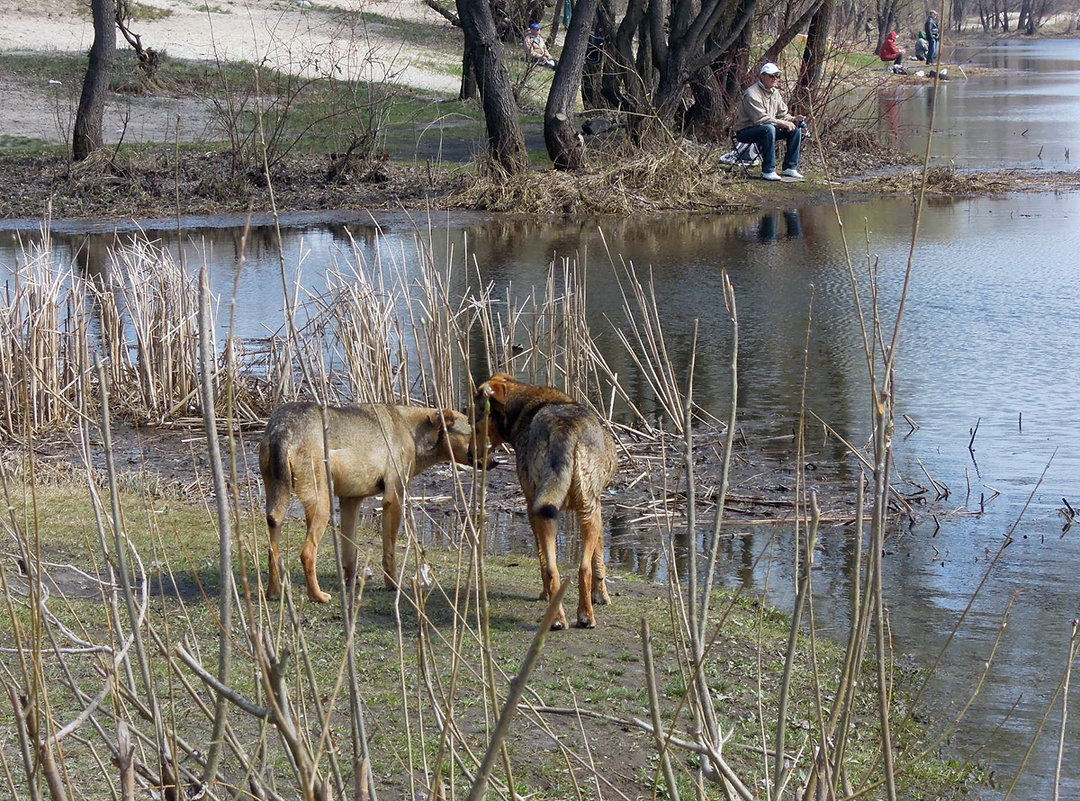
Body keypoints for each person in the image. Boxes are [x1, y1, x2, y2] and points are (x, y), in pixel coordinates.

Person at [733, 62, 807, 182]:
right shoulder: (752, 93)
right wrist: (782, 123)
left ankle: (790, 167)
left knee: (795, 128)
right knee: (769, 129)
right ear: (762, 76)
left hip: (767, 129)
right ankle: (768, 170)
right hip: (746, 131)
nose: (775, 79)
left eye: (777, 76)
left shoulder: (775, 93)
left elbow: (783, 114)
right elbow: (760, 119)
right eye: (771, 76)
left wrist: (794, 119)